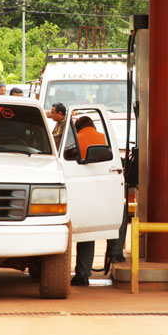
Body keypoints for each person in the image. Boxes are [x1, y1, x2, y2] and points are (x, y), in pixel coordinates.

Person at [70, 116, 107, 286]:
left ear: (77, 128)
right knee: (89, 234)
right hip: (100, 193)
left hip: (76, 189)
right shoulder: (103, 137)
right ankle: (84, 274)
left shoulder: (75, 140)